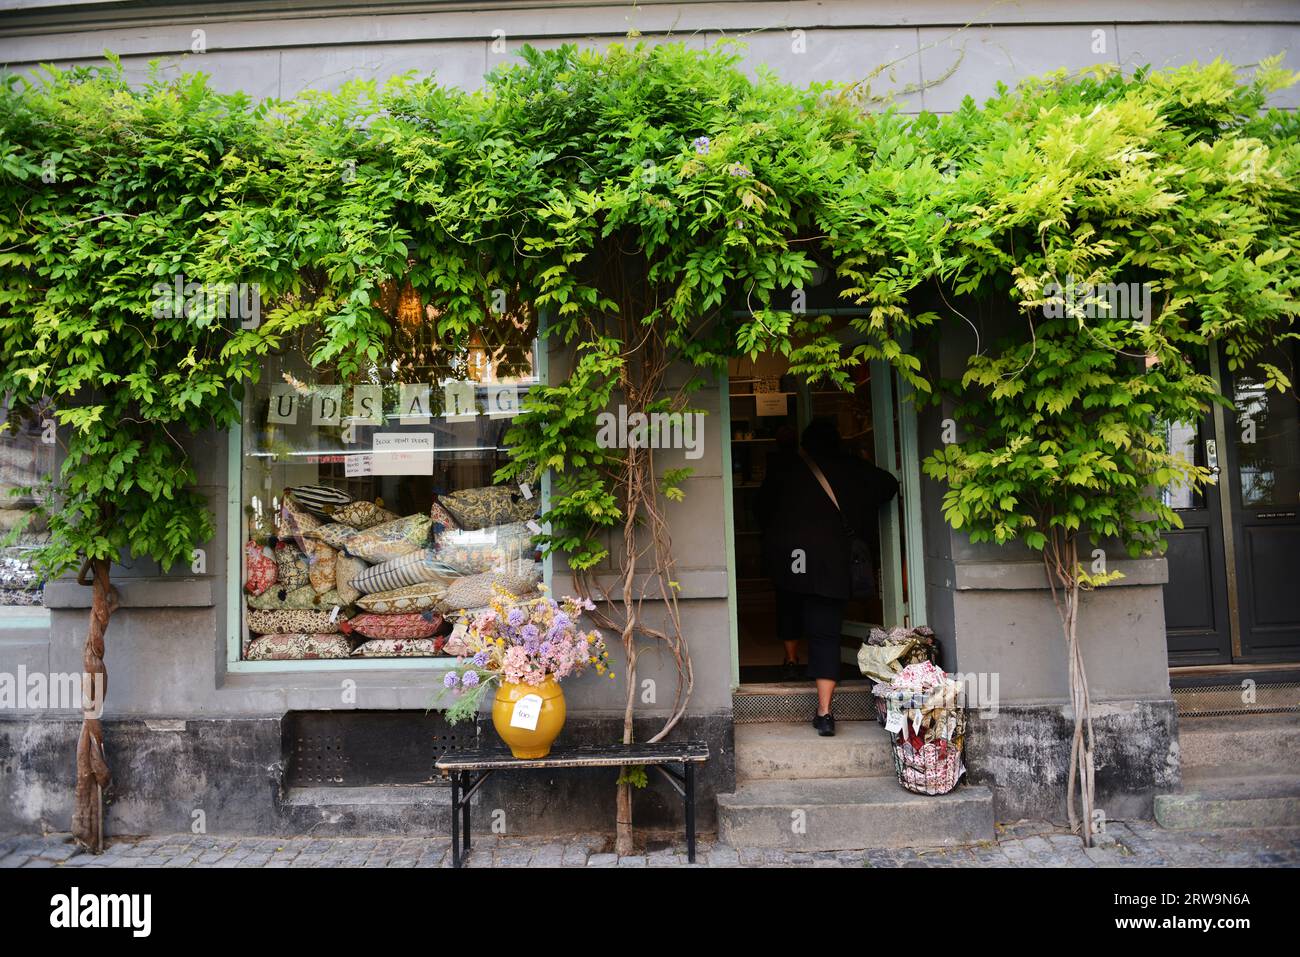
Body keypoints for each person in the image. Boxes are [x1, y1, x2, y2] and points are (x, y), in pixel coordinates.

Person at [755, 417, 899, 736]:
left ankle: (791, 661)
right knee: (825, 635)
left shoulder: (787, 468)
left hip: (792, 559)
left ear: (805, 444)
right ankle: (824, 712)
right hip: (833, 564)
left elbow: (761, 508)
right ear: (839, 442)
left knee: (789, 606)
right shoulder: (853, 468)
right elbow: (889, 486)